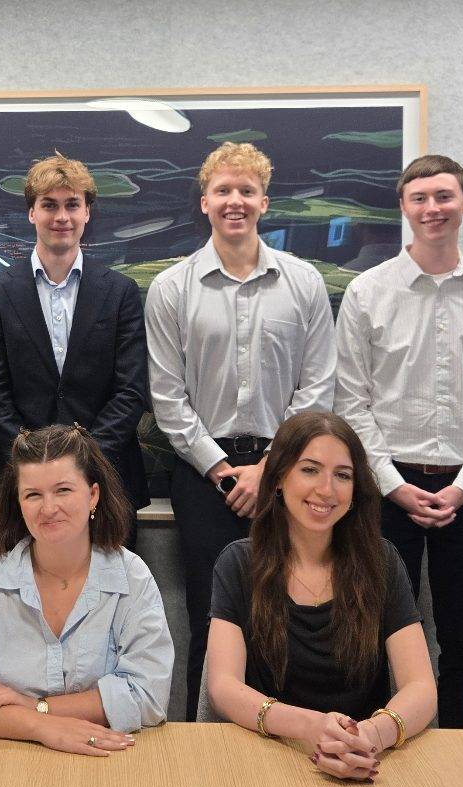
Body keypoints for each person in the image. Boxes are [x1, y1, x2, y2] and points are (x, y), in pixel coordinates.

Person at [333, 154, 463, 729]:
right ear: (403, 208)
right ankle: (365, 742)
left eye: (444, 196)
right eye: (419, 198)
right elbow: (351, 403)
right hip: (382, 494)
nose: (432, 208)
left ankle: (457, 750)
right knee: (370, 630)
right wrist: (393, 486)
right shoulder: (368, 293)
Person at [146, 141, 337, 716]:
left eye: (246, 191)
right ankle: (203, 741)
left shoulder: (303, 283)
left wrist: (269, 469)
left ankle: (288, 731)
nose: (235, 201)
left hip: (290, 473)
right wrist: (225, 470)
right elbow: (167, 397)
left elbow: (318, 387)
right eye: (224, 191)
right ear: (204, 202)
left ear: (264, 201)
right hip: (205, 478)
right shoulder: (172, 288)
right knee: (211, 616)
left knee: (289, 615)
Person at [205, 412, 435, 781]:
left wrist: (371, 735)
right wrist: (308, 726)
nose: (327, 490)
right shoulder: (239, 561)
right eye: (310, 470)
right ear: (279, 477)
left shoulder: (381, 560)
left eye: (343, 475)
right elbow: (223, 687)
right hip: (267, 755)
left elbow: (421, 686)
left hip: (363, 761)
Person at [0, 425, 172, 754]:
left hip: (111, 756)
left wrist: (34, 704)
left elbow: (148, 695)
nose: (48, 508)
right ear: (19, 503)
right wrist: (40, 727)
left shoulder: (132, 578)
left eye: (63, 490)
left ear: (93, 495)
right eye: (33, 495)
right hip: (7, 756)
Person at [0, 153, 150, 533]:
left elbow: (131, 390)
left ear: (88, 212)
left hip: (109, 482)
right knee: (24, 590)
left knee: (112, 591)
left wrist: (84, 460)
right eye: (49, 205)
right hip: (23, 484)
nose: (61, 217)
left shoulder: (120, 292)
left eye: (73, 204)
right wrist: (35, 461)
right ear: (31, 213)